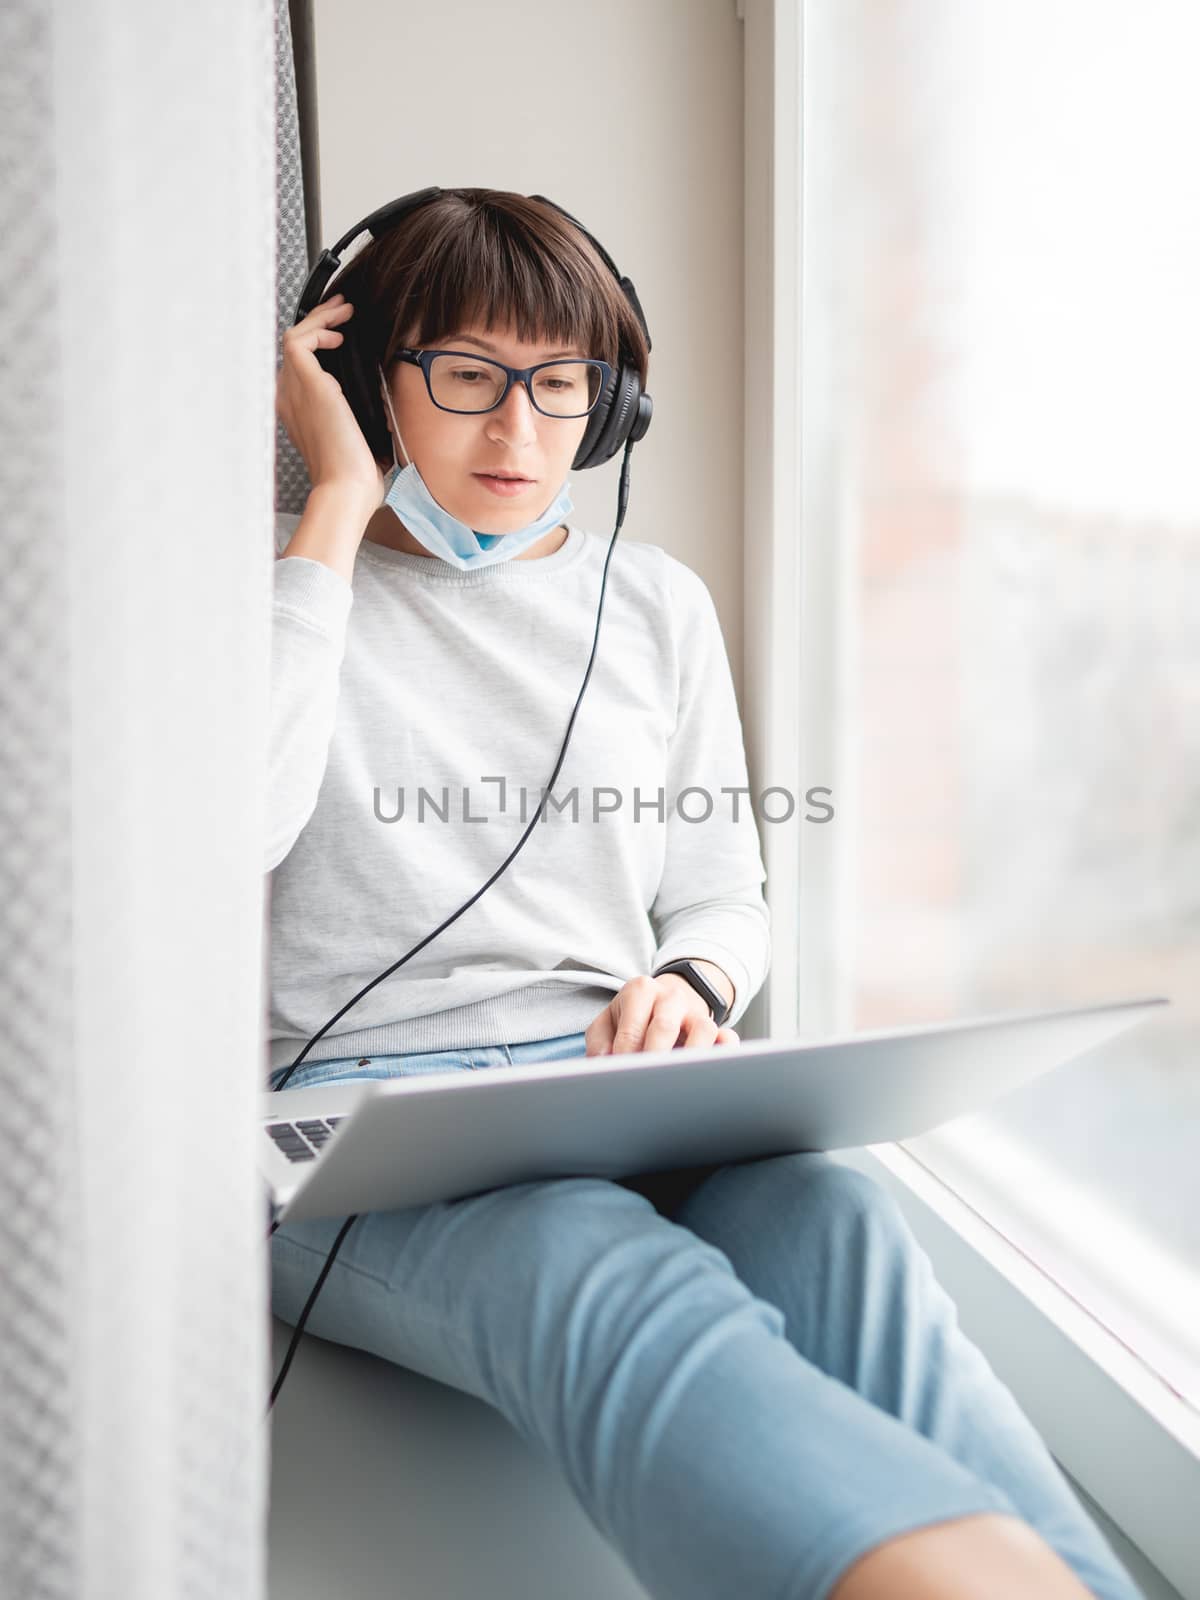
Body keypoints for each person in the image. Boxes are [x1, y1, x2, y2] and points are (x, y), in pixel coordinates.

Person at [267, 187, 1142, 1600]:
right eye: (467, 376)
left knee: (833, 1213)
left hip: (609, 1089)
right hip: (366, 1135)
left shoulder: (655, 602)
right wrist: (328, 516)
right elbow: (232, 824)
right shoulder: (276, 599)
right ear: (369, 380)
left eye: (561, 388)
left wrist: (691, 986)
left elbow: (723, 894)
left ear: (609, 411)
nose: (518, 434)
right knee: (582, 1252)